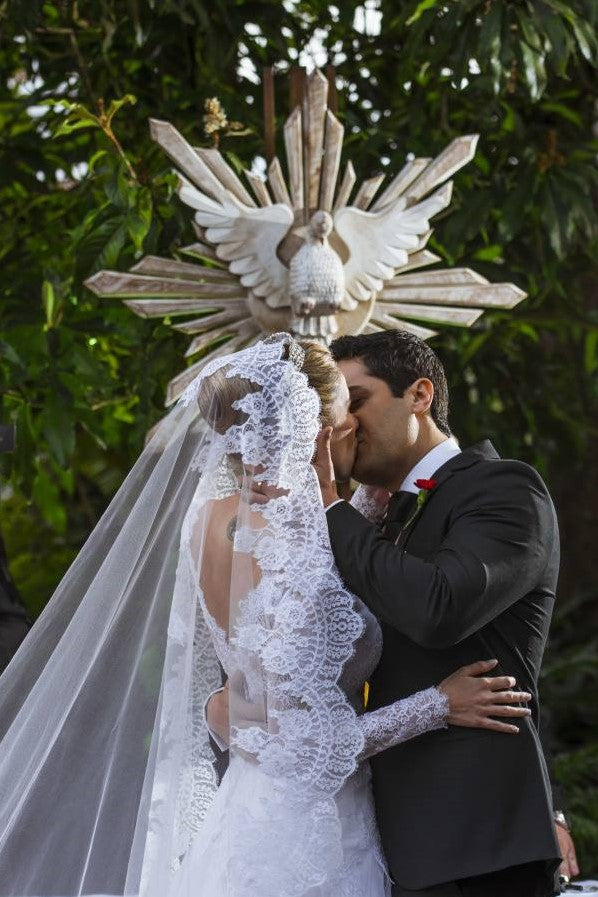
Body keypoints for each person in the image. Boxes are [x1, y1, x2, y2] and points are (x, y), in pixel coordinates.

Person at [0, 333, 532, 897]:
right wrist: (437, 705)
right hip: (313, 837)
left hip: (249, 808)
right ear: (314, 424)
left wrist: (225, 710)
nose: (350, 424)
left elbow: (254, 693)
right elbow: (304, 745)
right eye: (341, 409)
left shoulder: (207, 520)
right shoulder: (297, 536)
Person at [313, 328, 564, 897]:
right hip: (380, 841)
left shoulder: (503, 489)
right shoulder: (369, 520)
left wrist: (329, 501)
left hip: (474, 840)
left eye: (356, 402)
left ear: (420, 395)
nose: (344, 426)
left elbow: (439, 608)